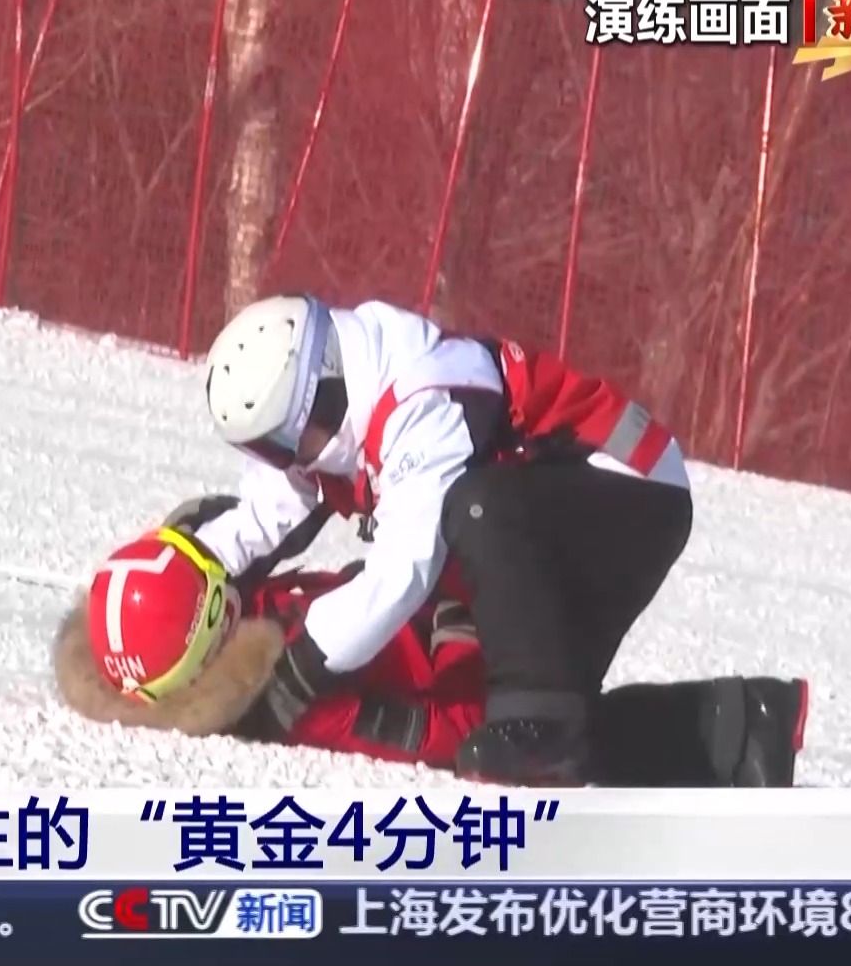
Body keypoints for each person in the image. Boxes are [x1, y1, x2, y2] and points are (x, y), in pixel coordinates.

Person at [153, 294, 805, 786]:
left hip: (630, 494)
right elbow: (273, 508)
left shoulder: (421, 398)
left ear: (321, 398)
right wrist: (194, 565)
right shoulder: (340, 401)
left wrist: (296, 670)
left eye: (282, 443)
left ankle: (540, 724)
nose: (282, 460)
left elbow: (402, 569)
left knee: (474, 514)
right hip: (545, 517)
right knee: (485, 714)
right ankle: (745, 730)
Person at [53, 497, 810, 787]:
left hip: (439, 579)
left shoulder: (232, 631)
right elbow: (447, 731)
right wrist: (454, 611)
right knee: (562, 731)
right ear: (203, 652)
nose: (228, 580)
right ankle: (743, 732)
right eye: (214, 591)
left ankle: (747, 724)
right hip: (481, 632)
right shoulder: (296, 700)